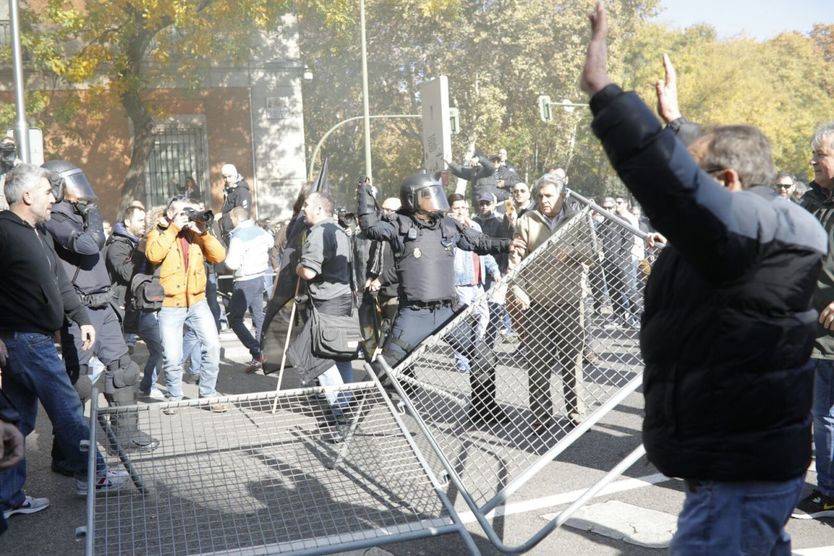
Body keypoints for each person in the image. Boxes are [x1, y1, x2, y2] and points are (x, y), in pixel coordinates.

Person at [581, 5, 827, 553]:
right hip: (740, 461)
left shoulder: (754, 233)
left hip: (735, 473)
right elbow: (697, 181)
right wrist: (677, 123)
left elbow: (677, 187)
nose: (692, 179)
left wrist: (606, 95)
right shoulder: (761, 224)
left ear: (730, 182)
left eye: (702, 173)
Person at [0, 164, 129, 518]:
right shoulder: (4, 231)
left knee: (15, 421)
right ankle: (94, 476)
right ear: (27, 196)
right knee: (69, 411)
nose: (53, 198)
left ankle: (7, 498)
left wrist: (82, 319)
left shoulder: (38, 233)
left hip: (33, 340)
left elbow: (61, 284)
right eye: (46, 192)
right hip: (25, 342)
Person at [358, 172, 522, 424]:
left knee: (483, 357)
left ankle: (484, 411)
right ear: (413, 199)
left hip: (449, 312)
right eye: (428, 195)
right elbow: (369, 227)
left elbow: (477, 242)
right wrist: (365, 195)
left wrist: (507, 245)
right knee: (383, 368)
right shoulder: (399, 224)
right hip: (414, 315)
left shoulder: (449, 224)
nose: (436, 199)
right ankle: (346, 420)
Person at [43, 160, 158, 466]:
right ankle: (66, 453)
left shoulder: (78, 215)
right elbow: (88, 244)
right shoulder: (55, 218)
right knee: (77, 381)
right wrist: (91, 214)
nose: (82, 191)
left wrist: (87, 213)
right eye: (72, 182)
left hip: (103, 305)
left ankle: (127, 434)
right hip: (78, 310)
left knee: (123, 368)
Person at [509, 176, 593, 431]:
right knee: (538, 361)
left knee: (572, 359)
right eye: (540, 196)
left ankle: (577, 413)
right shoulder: (526, 221)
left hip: (569, 301)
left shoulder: (578, 219)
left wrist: (572, 251)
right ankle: (541, 416)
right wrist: (516, 288)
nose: (543, 201)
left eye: (549, 196)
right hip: (537, 302)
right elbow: (515, 260)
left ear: (562, 196)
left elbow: (593, 252)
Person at [145, 196, 227, 413]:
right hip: (171, 305)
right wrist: (173, 229)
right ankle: (174, 397)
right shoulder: (160, 231)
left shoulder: (197, 234)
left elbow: (219, 256)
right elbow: (153, 255)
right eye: (184, 212)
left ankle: (208, 394)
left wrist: (204, 233)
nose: (189, 216)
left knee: (212, 346)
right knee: (172, 357)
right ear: (171, 213)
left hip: (198, 301)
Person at [795, 121, 834, 520]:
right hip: (814, 332)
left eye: (820, 154)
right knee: (820, 415)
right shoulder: (810, 202)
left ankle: (828, 491)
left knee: (825, 417)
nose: (814, 161)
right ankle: (827, 488)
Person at [292, 191, 356, 420]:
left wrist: (297, 267)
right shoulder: (339, 229)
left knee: (312, 356)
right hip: (344, 300)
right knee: (341, 356)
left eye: (307, 205)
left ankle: (339, 410)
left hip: (327, 303)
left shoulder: (319, 232)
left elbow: (308, 272)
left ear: (320, 209)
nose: (303, 209)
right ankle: (344, 404)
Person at [104, 205, 165, 400]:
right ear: (127, 222)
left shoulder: (135, 242)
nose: (144, 224)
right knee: (116, 359)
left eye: (144, 220)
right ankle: (112, 395)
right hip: (120, 308)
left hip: (139, 307)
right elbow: (127, 273)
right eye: (140, 220)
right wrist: (141, 250)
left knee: (158, 349)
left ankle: (146, 386)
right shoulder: (117, 244)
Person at [449, 194, 499, 372]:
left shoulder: (475, 226)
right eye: (457, 208)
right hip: (459, 283)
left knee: (483, 317)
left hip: (477, 283)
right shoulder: (447, 229)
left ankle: (475, 350)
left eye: (463, 207)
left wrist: (494, 269)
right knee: (460, 323)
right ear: (450, 211)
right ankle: (462, 359)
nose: (461, 211)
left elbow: (484, 250)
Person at [224, 206, 274, 373]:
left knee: (235, 319)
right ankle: (260, 355)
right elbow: (271, 242)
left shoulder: (238, 236)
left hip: (244, 281)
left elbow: (232, 263)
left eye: (231, 218)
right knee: (258, 318)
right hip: (260, 278)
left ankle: (256, 351)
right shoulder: (259, 230)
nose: (230, 221)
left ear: (237, 218)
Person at [218, 163, 252, 241]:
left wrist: (224, 219)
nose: (227, 180)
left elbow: (242, 216)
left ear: (235, 175)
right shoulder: (229, 190)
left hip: (237, 234)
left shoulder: (241, 191)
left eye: (230, 176)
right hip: (228, 232)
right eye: (224, 177)